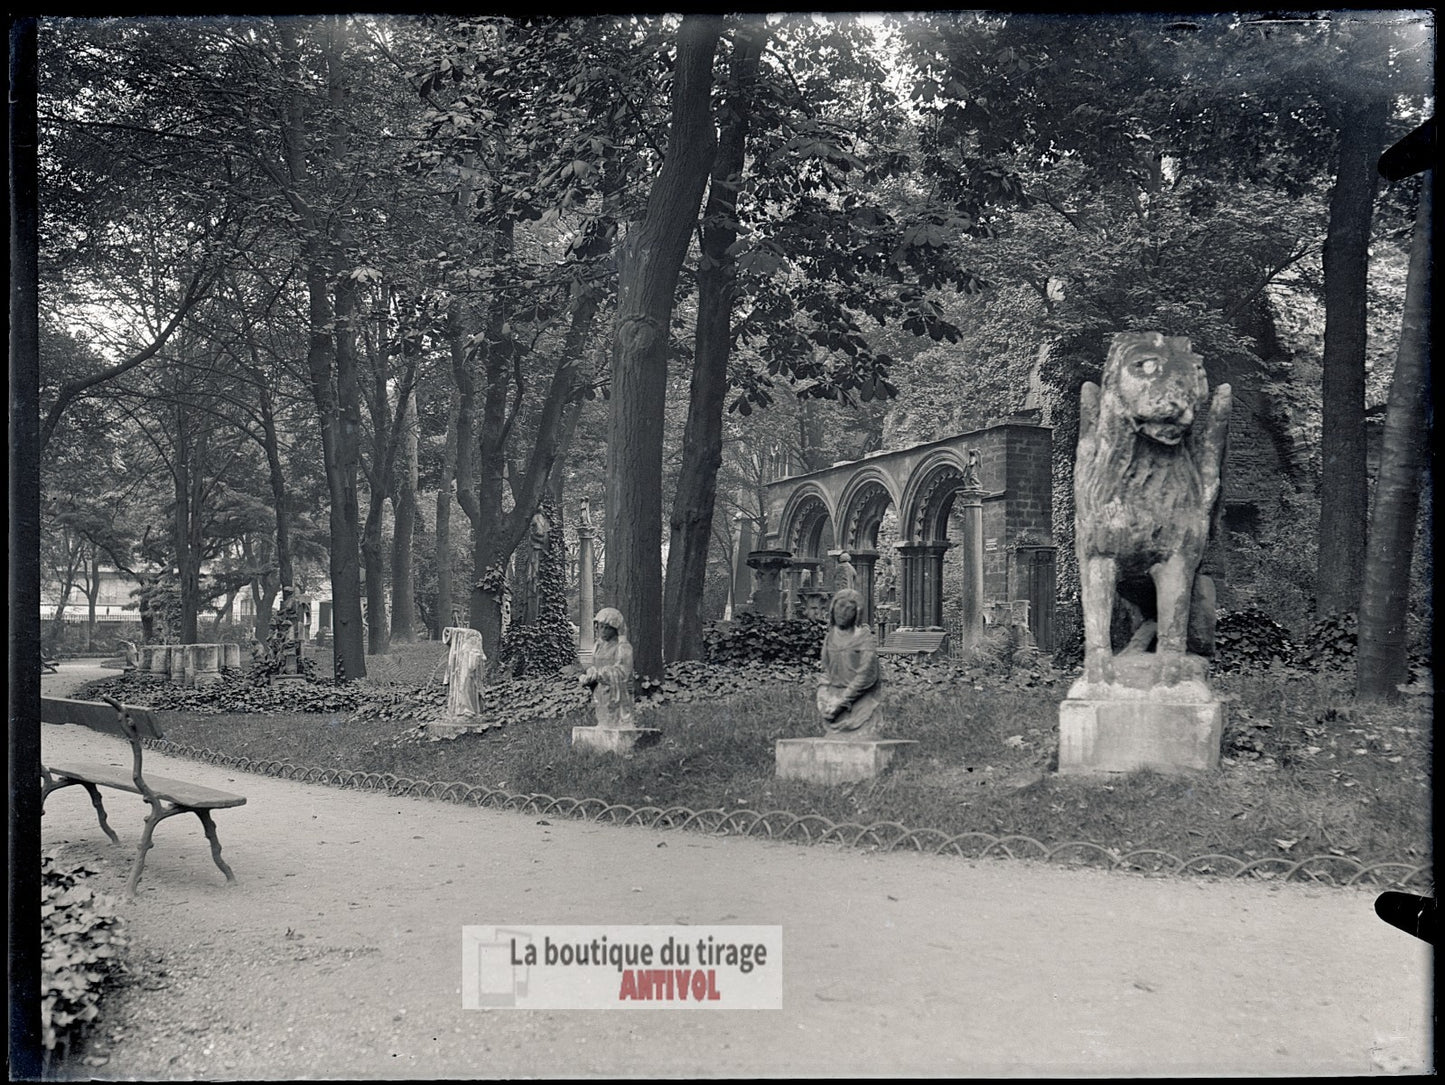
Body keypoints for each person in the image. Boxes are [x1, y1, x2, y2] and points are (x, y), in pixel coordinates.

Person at [816, 588, 883, 736]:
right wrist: (823, 697)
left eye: (849, 609)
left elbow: (865, 675)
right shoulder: (830, 638)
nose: (843, 612)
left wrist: (841, 702)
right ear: (833, 607)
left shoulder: (864, 639)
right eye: (840, 606)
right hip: (831, 700)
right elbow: (826, 671)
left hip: (858, 704)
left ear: (857, 613)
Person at [579, 607, 635, 729]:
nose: (603, 631)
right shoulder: (598, 646)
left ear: (616, 629)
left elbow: (623, 672)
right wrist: (590, 674)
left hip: (616, 691)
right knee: (602, 713)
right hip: (601, 689)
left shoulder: (623, 648)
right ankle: (603, 725)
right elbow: (594, 665)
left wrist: (602, 673)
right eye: (601, 627)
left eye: (607, 628)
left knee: (612, 713)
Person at [441, 626, 487, 719]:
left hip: (470, 673)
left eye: (475, 640)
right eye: (472, 640)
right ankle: (462, 710)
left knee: (467, 685)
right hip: (463, 669)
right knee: (462, 686)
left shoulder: (474, 647)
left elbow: (480, 659)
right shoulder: (462, 650)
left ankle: (468, 710)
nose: (474, 641)